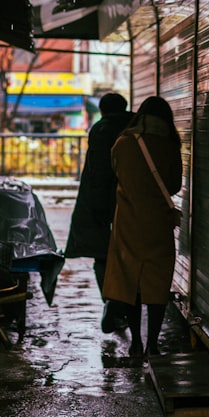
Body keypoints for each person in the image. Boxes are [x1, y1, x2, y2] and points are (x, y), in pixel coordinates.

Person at [101, 96, 182, 357]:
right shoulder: (169, 145)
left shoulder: (122, 144)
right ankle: (153, 345)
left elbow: (115, 174)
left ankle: (135, 341)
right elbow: (173, 186)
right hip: (158, 223)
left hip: (127, 223)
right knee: (157, 282)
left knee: (130, 281)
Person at [64, 92, 132, 294]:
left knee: (103, 254)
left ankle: (112, 302)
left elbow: (99, 172)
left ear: (102, 110)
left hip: (106, 201)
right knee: (128, 254)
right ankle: (125, 300)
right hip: (133, 199)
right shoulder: (136, 128)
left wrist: (99, 207)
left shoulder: (102, 130)